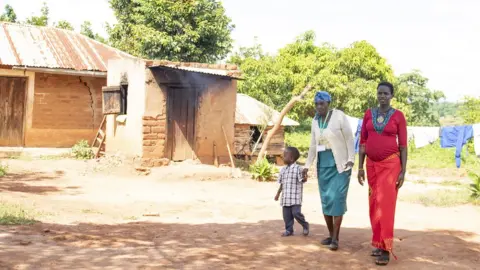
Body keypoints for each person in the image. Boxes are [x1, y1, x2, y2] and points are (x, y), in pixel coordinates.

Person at [357, 81, 408, 266]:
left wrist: (403, 170)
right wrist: (360, 167)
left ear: (392, 96)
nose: (382, 96)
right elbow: (363, 142)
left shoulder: (398, 116)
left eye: (386, 93)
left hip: (390, 166)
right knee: (374, 205)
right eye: (380, 93)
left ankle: (386, 249)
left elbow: (403, 146)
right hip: (371, 166)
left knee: (386, 206)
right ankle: (378, 243)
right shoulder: (369, 114)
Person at [303, 91, 355, 251]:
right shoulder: (315, 121)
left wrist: (351, 159)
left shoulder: (339, 116)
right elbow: (313, 145)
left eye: (322, 104)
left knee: (337, 201)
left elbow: (349, 139)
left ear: (328, 103)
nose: (319, 107)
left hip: (340, 166)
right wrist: (306, 165)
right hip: (323, 166)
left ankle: (336, 239)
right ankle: (331, 235)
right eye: (317, 104)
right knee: (326, 201)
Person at [274, 147, 309, 237]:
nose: (283, 156)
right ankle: (289, 230)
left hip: (295, 198)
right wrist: (278, 194)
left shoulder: (298, 168)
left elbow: (302, 180)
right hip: (285, 198)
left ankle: (305, 225)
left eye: (285, 155)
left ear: (292, 158)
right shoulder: (283, 170)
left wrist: (305, 176)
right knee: (286, 216)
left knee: (296, 213)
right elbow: (282, 183)